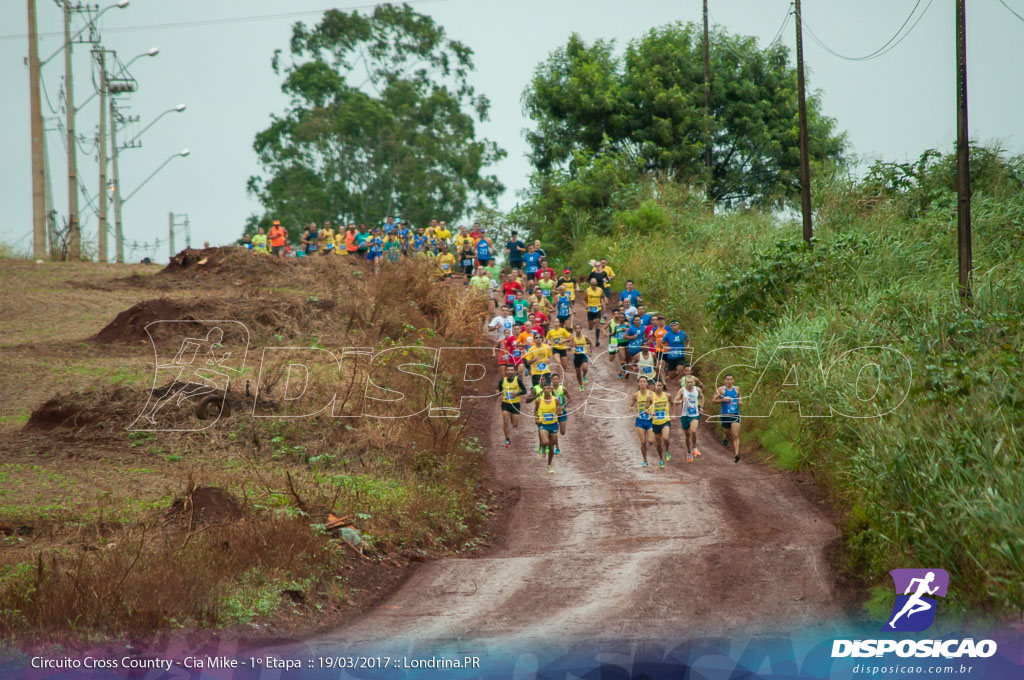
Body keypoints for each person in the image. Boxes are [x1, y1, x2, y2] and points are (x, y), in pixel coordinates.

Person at [628, 376, 660, 468]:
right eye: (640, 381)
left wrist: (655, 412)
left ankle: (650, 445)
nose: (642, 383)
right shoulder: (636, 395)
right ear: (638, 384)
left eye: (644, 381)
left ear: (647, 384)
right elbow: (631, 403)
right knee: (642, 442)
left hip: (650, 420)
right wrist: (630, 407)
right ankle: (645, 460)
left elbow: (657, 404)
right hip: (640, 420)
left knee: (651, 441)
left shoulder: (651, 394)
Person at [533, 380, 563, 474]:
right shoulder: (539, 400)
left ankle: (549, 465)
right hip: (543, 424)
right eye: (544, 389)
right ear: (542, 390)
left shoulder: (556, 399)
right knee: (545, 441)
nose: (546, 390)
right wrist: (536, 419)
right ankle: (542, 447)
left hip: (553, 425)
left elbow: (559, 410)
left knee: (551, 448)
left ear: (550, 389)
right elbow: (535, 410)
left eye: (547, 388)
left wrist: (559, 411)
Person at [713, 373, 743, 462]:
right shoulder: (721, 390)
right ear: (724, 381)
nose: (729, 381)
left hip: (735, 414)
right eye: (727, 379)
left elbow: (739, 396)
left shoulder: (736, 389)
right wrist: (723, 400)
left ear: (733, 380)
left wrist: (740, 401)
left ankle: (736, 454)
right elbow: (713, 401)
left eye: (731, 379)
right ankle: (725, 437)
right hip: (725, 415)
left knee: (736, 435)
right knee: (727, 432)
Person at [674, 375, 704, 463]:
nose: (689, 384)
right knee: (687, 435)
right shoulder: (682, 390)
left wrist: (701, 406)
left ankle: (694, 447)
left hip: (694, 414)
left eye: (691, 382)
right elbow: (674, 402)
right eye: (688, 382)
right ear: (685, 383)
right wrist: (681, 401)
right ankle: (689, 452)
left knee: (693, 430)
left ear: (693, 382)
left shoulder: (697, 389)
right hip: (685, 415)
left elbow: (702, 398)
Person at [498, 364, 528, 448]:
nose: (510, 372)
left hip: (515, 404)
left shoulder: (517, 380)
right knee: (505, 421)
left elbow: (525, 391)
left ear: (514, 371)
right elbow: (499, 390)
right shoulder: (502, 381)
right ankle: (507, 439)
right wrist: (497, 391)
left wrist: (517, 393)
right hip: (505, 404)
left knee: (515, 424)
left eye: (512, 370)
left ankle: (511, 416)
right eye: (508, 370)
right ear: (506, 371)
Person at [650, 379, 672, 465]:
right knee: (658, 444)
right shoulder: (651, 397)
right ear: (654, 387)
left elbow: (672, 403)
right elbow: (645, 409)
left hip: (665, 420)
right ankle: (661, 459)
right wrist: (651, 412)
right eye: (656, 385)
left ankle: (667, 450)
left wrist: (673, 413)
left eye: (660, 385)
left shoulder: (667, 395)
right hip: (656, 422)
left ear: (662, 387)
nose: (658, 387)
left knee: (665, 438)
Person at [584, 278, 606, 346]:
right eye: (592, 285)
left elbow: (603, 297)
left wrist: (604, 302)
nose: (594, 286)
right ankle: (593, 322)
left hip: (597, 308)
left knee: (597, 323)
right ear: (590, 284)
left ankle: (597, 340)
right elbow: (583, 299)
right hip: (590, 310)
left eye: (595, 284)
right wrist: (586, 305)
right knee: (590, 327)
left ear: (597, 284)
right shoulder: (587, 290)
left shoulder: (600, 290)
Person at [569, 322, 590, 391]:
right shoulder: (573, 338)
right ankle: (581, 385)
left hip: (583, 355)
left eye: (579, 328)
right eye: (576, 328)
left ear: (581, 329)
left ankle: (584, 375)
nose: (578, 330)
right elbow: (569, 348)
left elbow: (590, 343)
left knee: (585, 368)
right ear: (574, 330)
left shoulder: (585, 337)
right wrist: (572, 345)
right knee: (578, 373)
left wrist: (590, 351)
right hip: (576, 356)